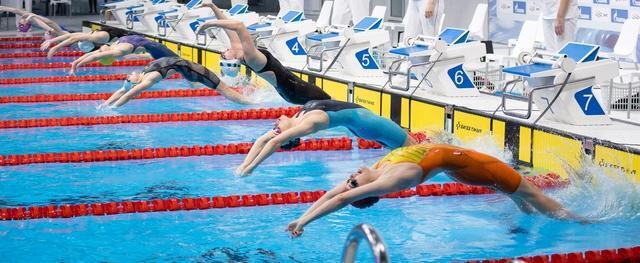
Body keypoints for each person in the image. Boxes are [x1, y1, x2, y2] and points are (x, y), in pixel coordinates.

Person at [286, 144, 587, 237]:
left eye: (349, 179)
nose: (349, 177)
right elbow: (341, 198)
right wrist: (305, 224)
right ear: (365, 191)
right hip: (473, 167)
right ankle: (583, 222)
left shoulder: (375, 170)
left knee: (520, 197)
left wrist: (302, 216)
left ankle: (527, 223)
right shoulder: (392, 179)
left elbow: (332, 192)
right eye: (354, 183)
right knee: (532, 194)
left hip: (463, 164)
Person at [195, 2, 331, 105]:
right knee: (331, 103)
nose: (223, 52)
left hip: (290, 90)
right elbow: (239, 26)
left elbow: (228, 27)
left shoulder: (239, 51)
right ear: (232, 60)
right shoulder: (250, 57)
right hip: (297, 90)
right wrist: (209, 24)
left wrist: (212, 7)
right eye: (223, 56)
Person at [236, 100, 417, 176]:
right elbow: (274, 141)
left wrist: (243, 165)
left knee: (406, 152)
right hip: (368, 124)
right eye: (277, 129)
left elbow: (262, 140)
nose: (275, 123)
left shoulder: (297, 117)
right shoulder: (309, 124)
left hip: (361, 125)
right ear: (286, 137)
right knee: (416, 151)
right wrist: (252, 168)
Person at [99, 56, 253, 109]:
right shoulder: (148, 79)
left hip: (189, 70)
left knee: (222, 88)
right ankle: (252, 103)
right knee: (223, 89)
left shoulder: (144, 74)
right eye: (128, 78)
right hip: (195, 70)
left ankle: (247, 97)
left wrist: (105, 104)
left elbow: (122, 91)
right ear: (134, 82)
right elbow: (128, 94)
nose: (128, 74)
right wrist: (113, 108)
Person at [69, 34, 178, 75]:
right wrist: (75, 63)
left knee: (177, 62)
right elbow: (94, 55)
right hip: (139, 41)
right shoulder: (109, 46)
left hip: (153, 47)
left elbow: (95, 56)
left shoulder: (116, 52)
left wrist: (76, 65)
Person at [42, 28, 129, 57]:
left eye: (81, 40)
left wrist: (53, 44)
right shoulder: (98, 38)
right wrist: (52, 42)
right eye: (82, 40)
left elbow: (72, 37)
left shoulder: (99, 38)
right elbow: (72, 37)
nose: (80, 38)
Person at [0, 6, 68, 37]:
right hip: (55, 30)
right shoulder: (32, 19)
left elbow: (15, 10)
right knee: (61, 33)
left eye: (20, 22)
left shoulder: (29, 18)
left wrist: (4, 8)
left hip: (55, 30)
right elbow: (50, 23)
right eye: (21, 22)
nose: (20, 21)